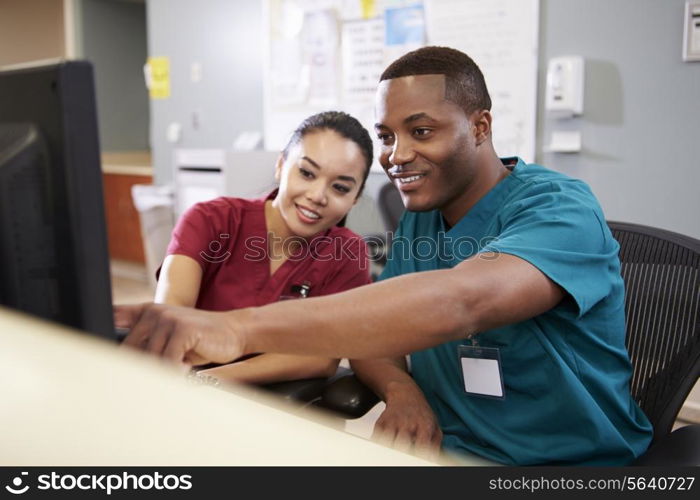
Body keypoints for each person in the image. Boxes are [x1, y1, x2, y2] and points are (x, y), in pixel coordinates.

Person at [117, 47, 653, 465]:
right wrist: (401, 389)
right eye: (387, 137)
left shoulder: (559, 208)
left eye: (420, 132)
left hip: (564, 465)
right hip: (443, 451)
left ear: (481, 128)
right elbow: (378, 324)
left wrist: (239, 328)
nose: (397, 156)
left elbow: (461, 301)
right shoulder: (423, 215)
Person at [153, 111, 373, 385]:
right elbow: (170, 318)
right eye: (306, 173)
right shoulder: (211, 220)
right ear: (281, 165)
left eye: (340, 188)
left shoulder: (348, 253)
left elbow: (321, 357)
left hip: (273, 409)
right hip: (180, 386)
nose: (317, 196)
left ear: (355, 199)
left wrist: (209, 382)